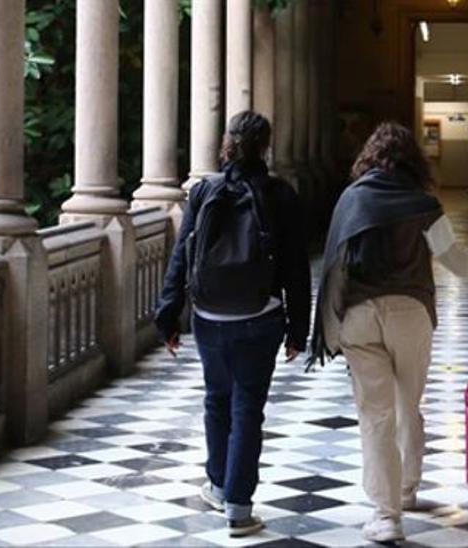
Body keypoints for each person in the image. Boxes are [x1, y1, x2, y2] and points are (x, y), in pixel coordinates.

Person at [309, 122, 468, 543]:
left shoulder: (351, 199)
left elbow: (334, 268)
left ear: (369, 158)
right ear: (412, 161)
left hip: (358, 316)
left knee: (376, 415)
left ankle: (386, 514)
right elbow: (459, 261)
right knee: (406, 403)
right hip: (409, 314)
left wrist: (328, 331)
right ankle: (408, 487)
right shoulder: (422, 204)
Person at [153, 111, 310, 538]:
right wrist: (299, 329)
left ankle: (219, 485)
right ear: (266, 146)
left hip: (208, 318)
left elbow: (181, 258)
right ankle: (239, 509)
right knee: (247, 409)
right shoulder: (280, 195)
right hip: (260, 318)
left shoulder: (204, 191)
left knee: (216, 400)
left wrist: (168, 316)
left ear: (227, 144)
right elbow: (296, 268)